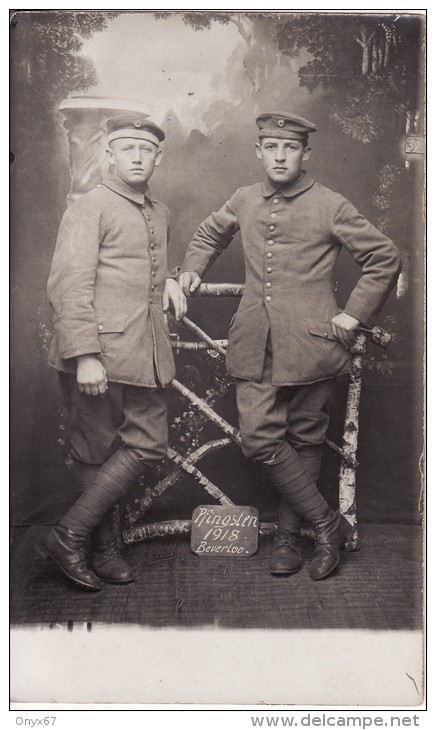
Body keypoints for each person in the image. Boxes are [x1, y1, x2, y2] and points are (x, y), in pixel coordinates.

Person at [179, 111, 401, 580]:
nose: (280, 156)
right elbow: (208, 233)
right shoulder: (243, 198)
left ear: (305, 153)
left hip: (314, 348)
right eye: (271, 147)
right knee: (260, 438)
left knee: (305, 436)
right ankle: (327, 524)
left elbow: (384, 257)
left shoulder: (330, 204)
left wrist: (353, 314)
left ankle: (287, 537)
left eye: (290, 148)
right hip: (254, 344)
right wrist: (192, 269)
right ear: (259, 152)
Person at [35, 115, 187, 591]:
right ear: (110, 155)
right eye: (127, 149)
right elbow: (68, 284)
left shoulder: (158, 211)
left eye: (146, 150)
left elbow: (146, 266)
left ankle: (69, 536)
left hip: (144, 351)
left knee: (145, 443)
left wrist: (173, 279)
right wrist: (85, 354)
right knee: (93, 449)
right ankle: (100, 548)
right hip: (97, 351)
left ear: (158, 157)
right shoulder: (88, 207)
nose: (137, 157)